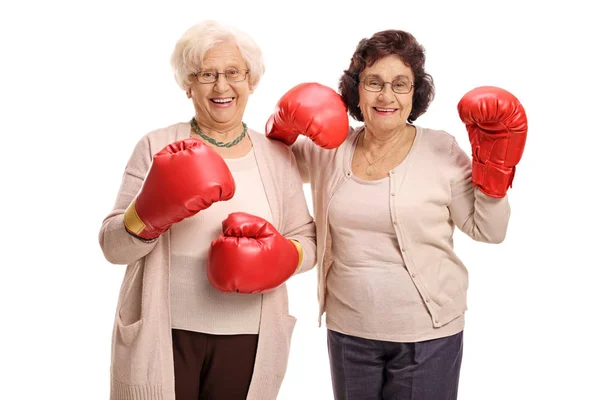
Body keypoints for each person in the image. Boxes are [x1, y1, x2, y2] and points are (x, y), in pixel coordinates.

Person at [266, 29, 527, 399]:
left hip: (427, 336)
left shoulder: (440, 149)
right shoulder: (329, 148)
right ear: (356, 90)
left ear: (414, 93)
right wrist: (280, 125)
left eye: (400, 84)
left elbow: (489, 230)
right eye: (374, 82)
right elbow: (272, 170)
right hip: (348, 331)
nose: (386, 95)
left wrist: (495, 172)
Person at [98, 20, 318, 400]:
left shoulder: (277, 155)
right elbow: (112, 248)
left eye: (233, 72)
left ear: (252, 80)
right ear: (188, 84)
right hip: (164, 333)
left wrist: (284, 256)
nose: (221, 86)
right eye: (206, 74)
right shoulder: (156, 146)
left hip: (249, 336)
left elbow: (309, 241)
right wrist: (147, 216)